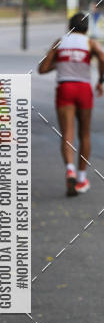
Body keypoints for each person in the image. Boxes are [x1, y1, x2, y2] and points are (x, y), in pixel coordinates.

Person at [38, 12, 104, 195]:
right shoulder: (90, 43)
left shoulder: (60, 42)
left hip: (65, 88)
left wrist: (59, 63)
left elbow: (42, 69)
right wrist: (101, 80)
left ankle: (70, 169)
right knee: (85, 134)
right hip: (83, 89)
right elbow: (103, 57)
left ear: (68, 27)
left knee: (67, 133)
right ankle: (82, 179)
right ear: (87, 28)